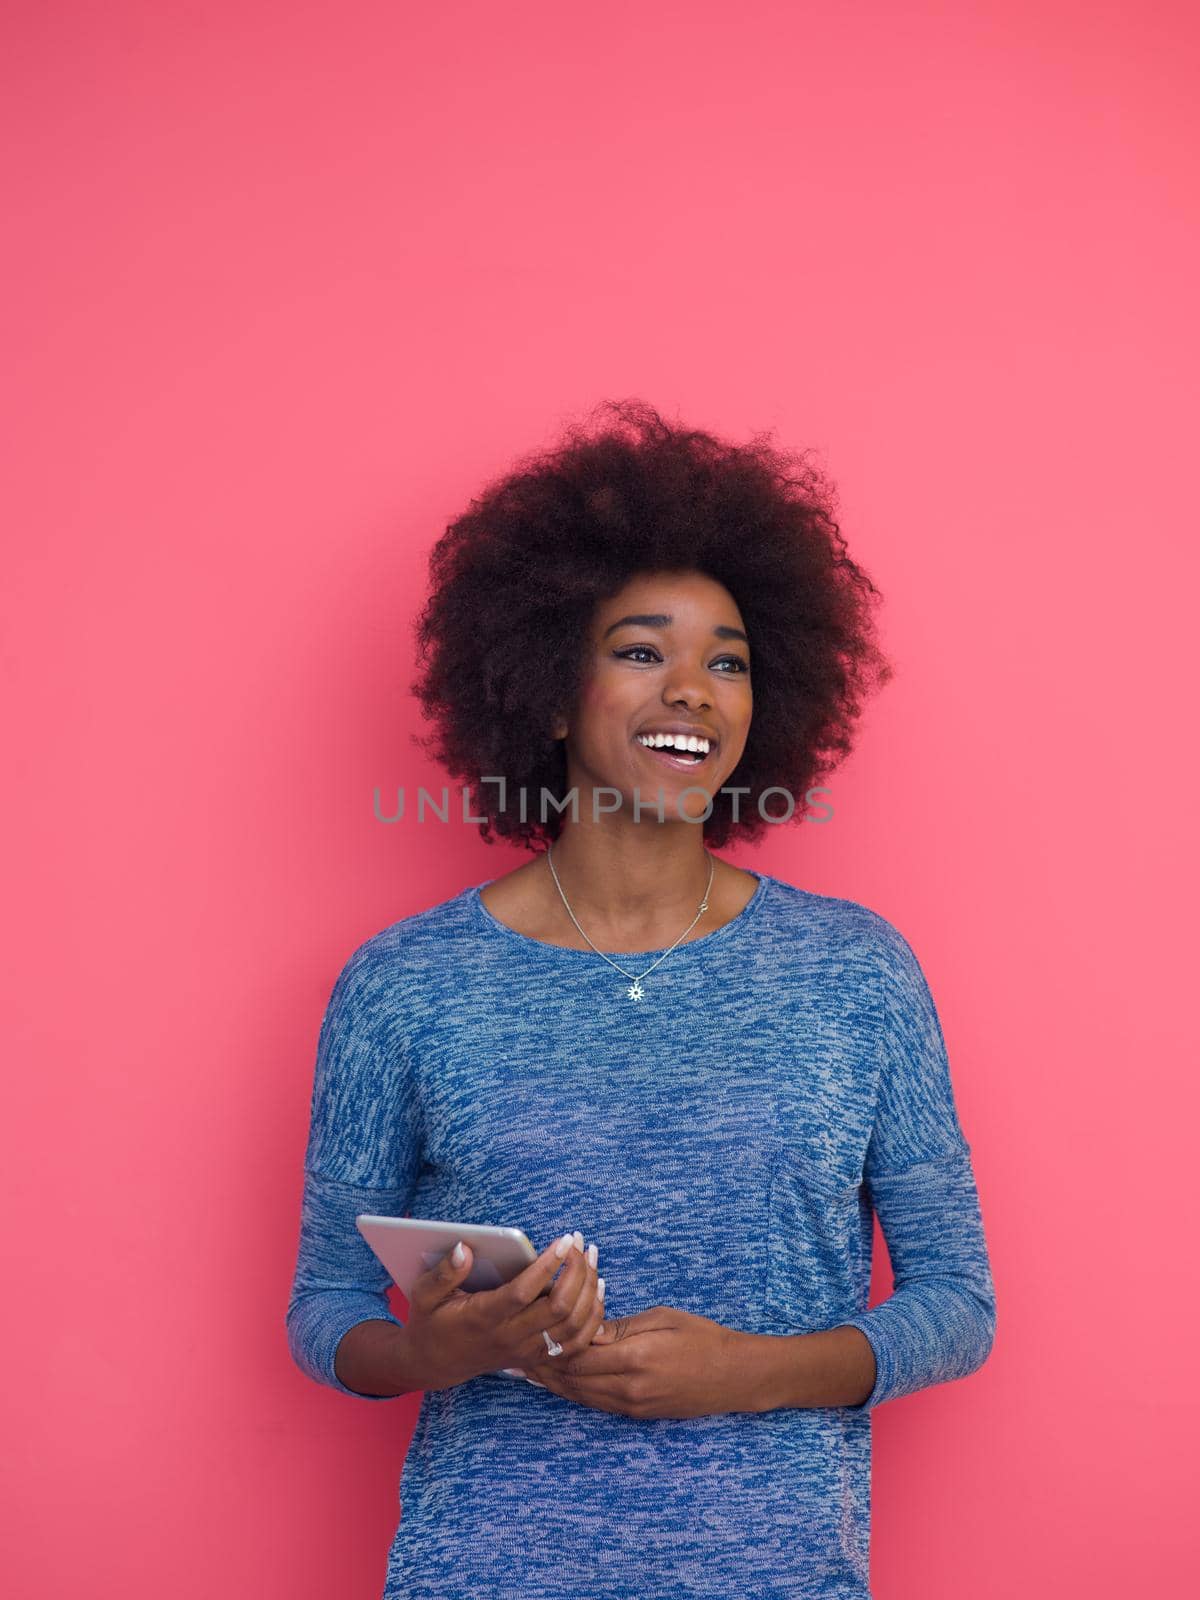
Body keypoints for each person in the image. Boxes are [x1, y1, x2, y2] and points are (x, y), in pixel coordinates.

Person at [285, 399, 997, 1599]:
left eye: (728, 660)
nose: (695, 691)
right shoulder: (405, 985)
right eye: (639, 650)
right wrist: (430, 1349)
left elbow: (957, 1302)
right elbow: (322, 1306)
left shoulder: (856, 972)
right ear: (548, 692)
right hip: (484, 1571)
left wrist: (750, 1370)